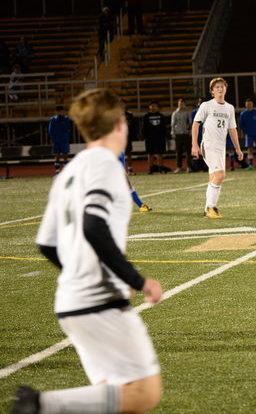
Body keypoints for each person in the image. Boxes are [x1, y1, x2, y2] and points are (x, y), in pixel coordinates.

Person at [11, 88, 163, 414]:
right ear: (120, 123)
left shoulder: (68, 172)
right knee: (144, 394)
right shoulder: (106, 165)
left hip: (71, 302)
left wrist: (81, 274)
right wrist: (137, 280)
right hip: (99, 302)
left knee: (112, 395)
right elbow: (93, 225)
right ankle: (40, 405)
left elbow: (46, 243)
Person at [191, 78, 243, 218]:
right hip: (209, 144)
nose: (220, 89)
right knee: (220, 175)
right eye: (217, 87)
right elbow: (195, 124)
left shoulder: (229, 108)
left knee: (214, 176)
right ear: (212, 91)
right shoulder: (206, 105)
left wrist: (238, 149)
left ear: (225, 89)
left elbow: (232, 129)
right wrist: (194, 144)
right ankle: (211, 208)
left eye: (222, 86)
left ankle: (207, 209)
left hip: (221, 147)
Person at [141, 101, 167, 174]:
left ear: (157, 107)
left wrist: (163, 136)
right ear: (149, 107)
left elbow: (164, 127)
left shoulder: (161, 116)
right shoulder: (146, 116)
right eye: (152, 106)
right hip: (149, 138)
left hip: (160, 138)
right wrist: (145, 136)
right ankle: (150, 169)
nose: (153, 107)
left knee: (160, 153)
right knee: (150, 154)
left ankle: (161, 168)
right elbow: (144, 128)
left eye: (155, 106)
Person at [240, 98, 256, 169]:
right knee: (250, 149)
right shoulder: (243, 114)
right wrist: (247, 132)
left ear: (252, 104)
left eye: (250, 104)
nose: (249, 105)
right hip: (249, 134)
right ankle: (250, 165)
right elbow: (242, 125)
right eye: (247, 104)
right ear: (245, 105)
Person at [170, 97, 193, 173]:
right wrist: (173, 133)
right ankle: (179, 167)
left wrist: (190, 132)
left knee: (188, 151)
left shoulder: (188, 112)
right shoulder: (175, 113)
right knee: (178, 152)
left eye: (182, 104)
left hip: (186, 133)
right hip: (178, 134)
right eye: (180, 103)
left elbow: (190, 123)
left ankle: (189, 167)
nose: (181, 105)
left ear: (184, 104)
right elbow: (173, 124)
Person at [48, 105, 72, 174]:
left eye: (61, 111)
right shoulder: (53, 119)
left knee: (65, 156)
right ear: (56, 112)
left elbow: (68, 128)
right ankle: (57, 171)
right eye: (58, 111)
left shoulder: (66, 119)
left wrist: (63, 122)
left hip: (64, 140)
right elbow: (50, 130)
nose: (60, 112)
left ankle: (66, 172)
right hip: (56, 141)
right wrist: (52, 138)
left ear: (63, 111)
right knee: (57, 156)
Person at [189, 98, 208, 172]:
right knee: (197, 149)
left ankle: (205, 166)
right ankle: (196, 166)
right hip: (198, 133)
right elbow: (193, 123)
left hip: (206, 133)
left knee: (205, 149)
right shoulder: (194, 112)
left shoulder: (208, 111)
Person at [124, 106, 137, 175]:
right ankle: (119, 170)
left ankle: (130, 169)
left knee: (128, 153)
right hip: (117, 137)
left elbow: (133, 125)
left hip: (127, 136)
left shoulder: (129, 114)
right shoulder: (114, 114)